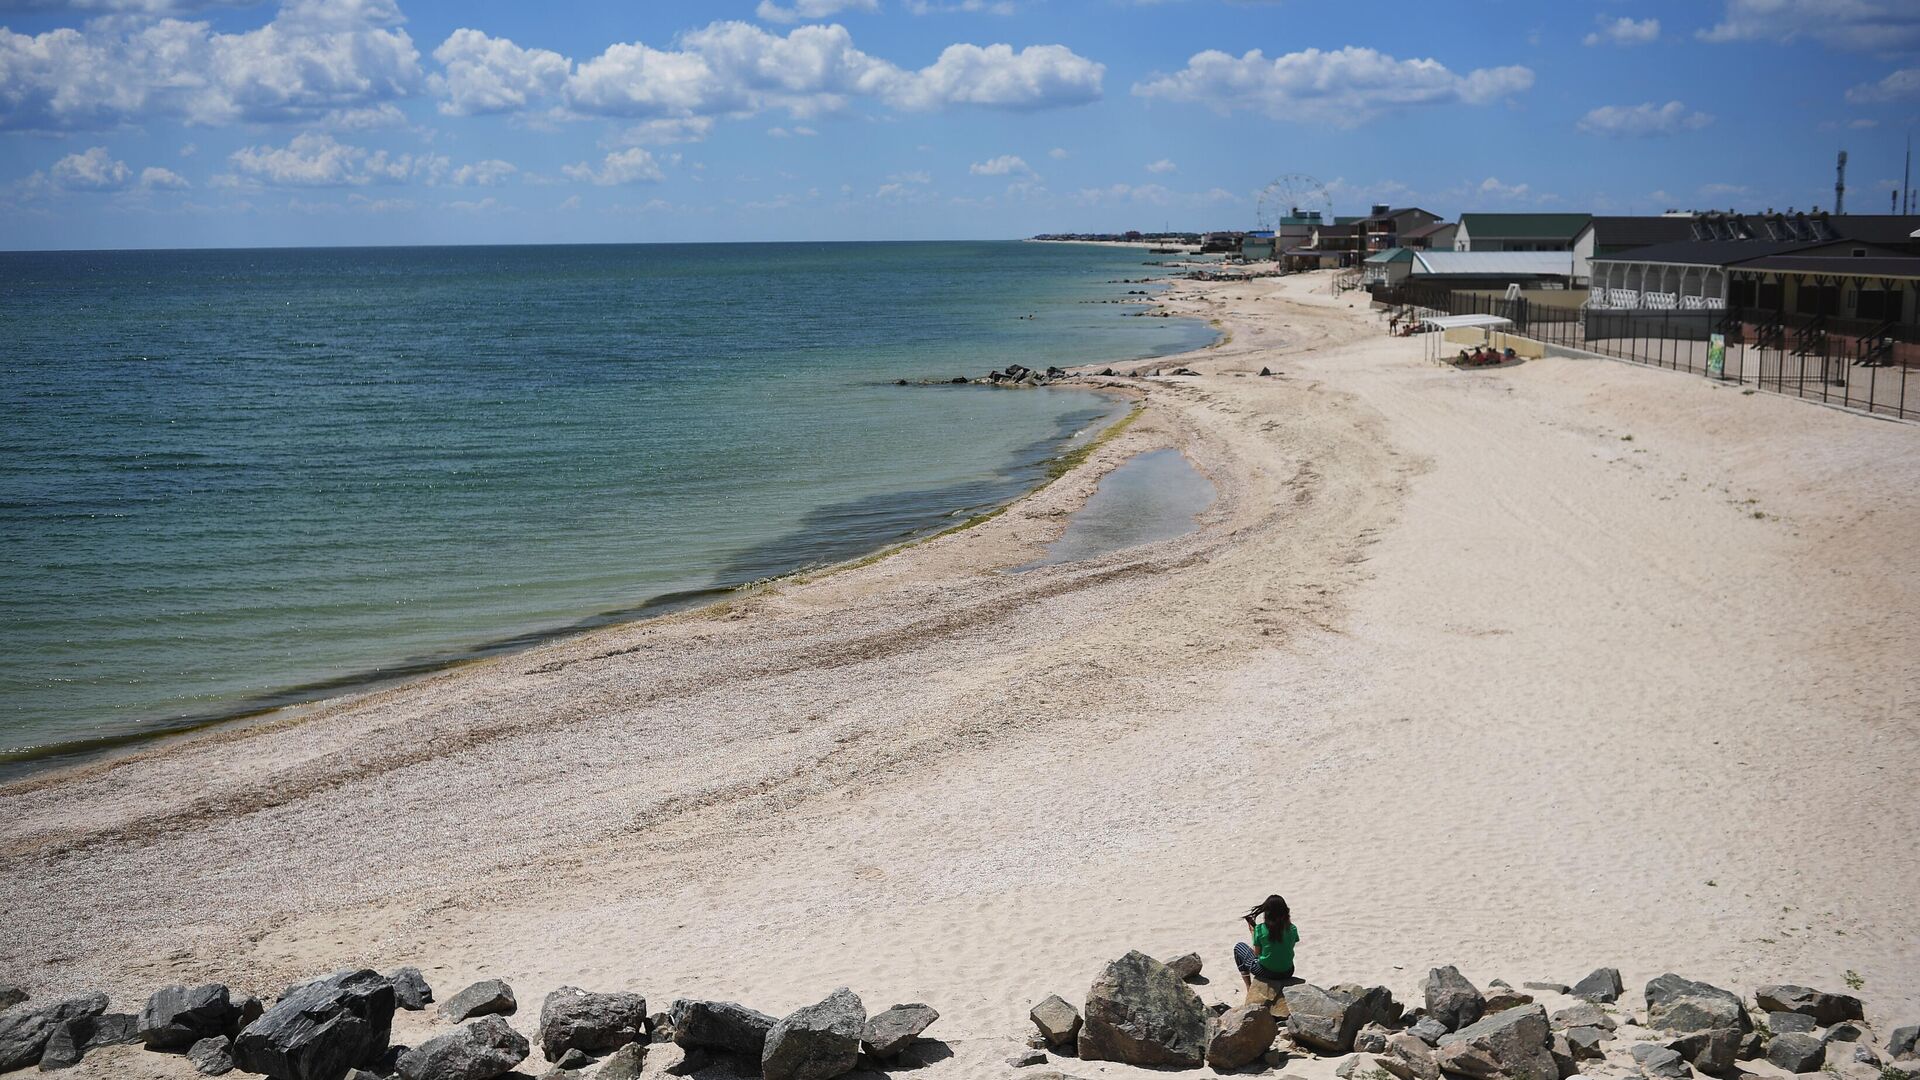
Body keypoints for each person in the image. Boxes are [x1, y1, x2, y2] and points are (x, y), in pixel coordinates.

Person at [1233, 894, 1299, 989]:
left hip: (1266, 972)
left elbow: (1256, 953)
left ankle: (1248, 986)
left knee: (1239, 947)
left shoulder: (1260, 929)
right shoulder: (1292, 928)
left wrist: (1253, 933)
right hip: (1288, 971)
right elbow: (1288, 946)